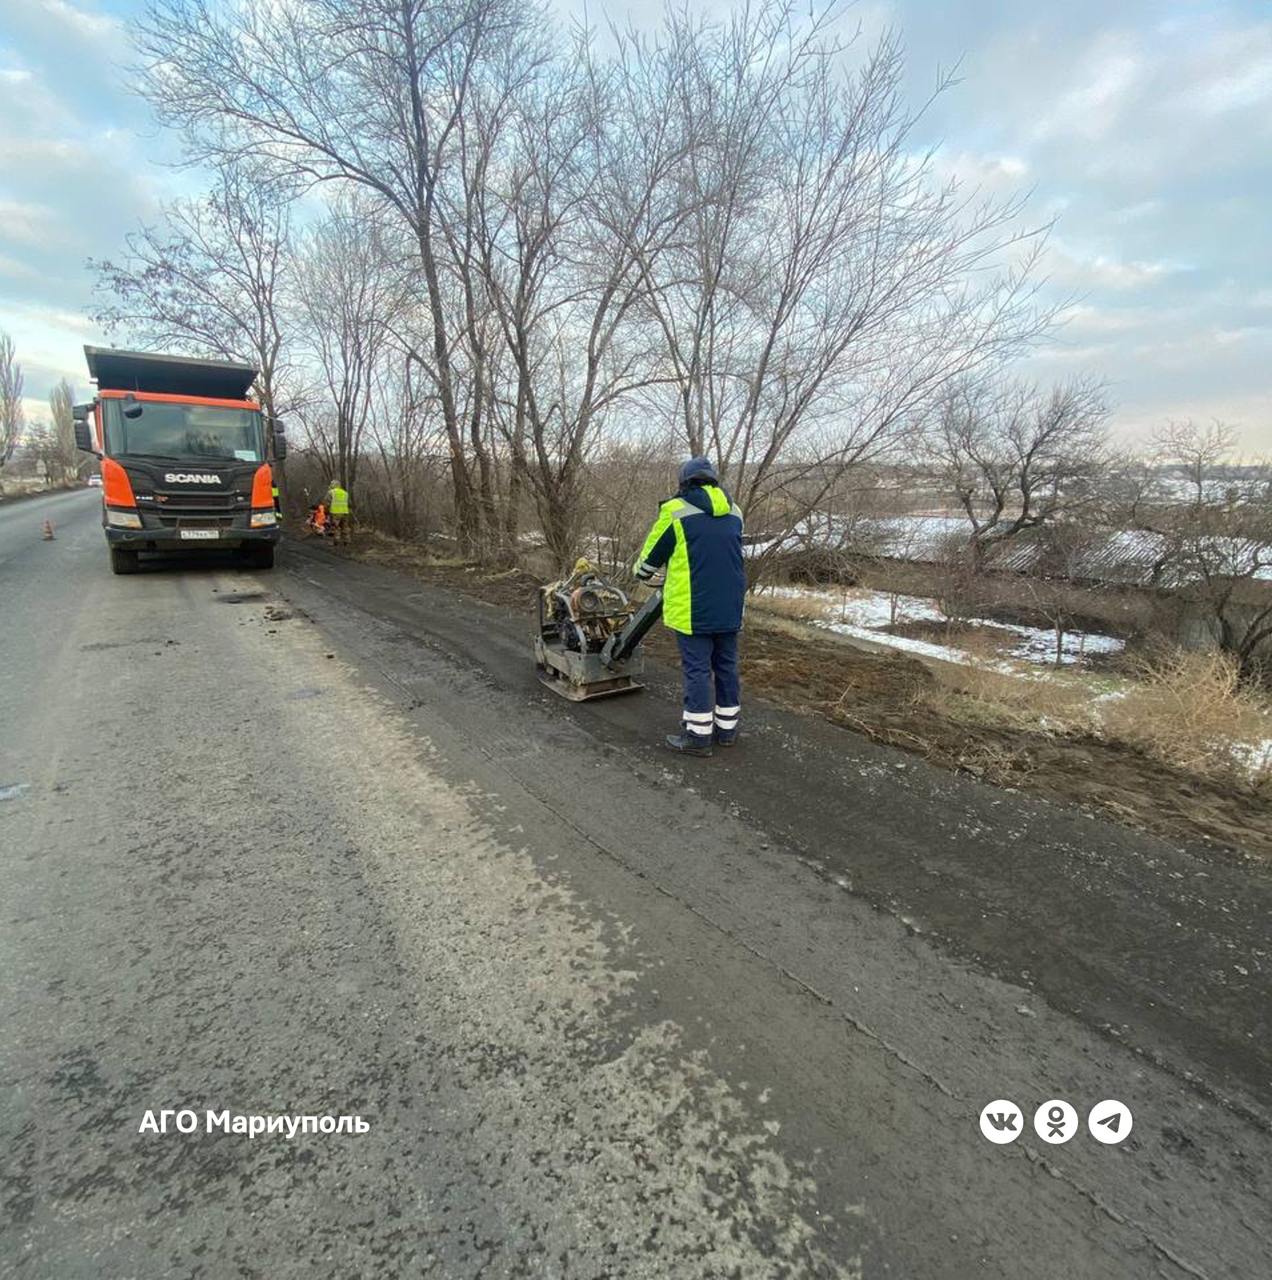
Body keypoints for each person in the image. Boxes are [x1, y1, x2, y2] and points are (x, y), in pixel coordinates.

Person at [633, 457, 744, 756]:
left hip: (694, 609)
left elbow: (647, 563)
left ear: (684, 483)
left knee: (697, 670)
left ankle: (697, 737)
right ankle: (727, 731)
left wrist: (641, 574)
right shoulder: (735, 511)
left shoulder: (676, 511)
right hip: (730, 607)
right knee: (726, 666)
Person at [325, 480, 350, 544]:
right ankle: (346, 540)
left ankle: (336, 541)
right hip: (345, 512)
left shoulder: (331, 492)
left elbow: (327, 503)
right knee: (345, 527)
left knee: (336, 527)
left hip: (335, 512)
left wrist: (326, 511)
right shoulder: (345, 493)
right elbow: (349, 503)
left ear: (333, 485)